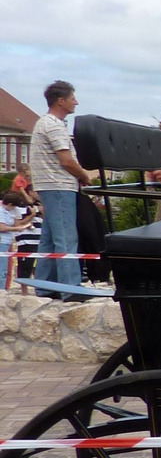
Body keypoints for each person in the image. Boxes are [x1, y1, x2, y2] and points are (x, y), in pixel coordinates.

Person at [29, 80, 91, 296]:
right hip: (59, 185)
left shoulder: (42, 123)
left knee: (49, 237)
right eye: (73, 98)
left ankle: (45, 285)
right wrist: (84, 176)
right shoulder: (54, 125)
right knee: (66, 236)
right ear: (60, 101)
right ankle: (70, 287)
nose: (76, 102)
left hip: (48, 185)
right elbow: (66, 160)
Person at [0, 191, 38, 289]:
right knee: (1, 269)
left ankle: (4, 288)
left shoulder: (9, 211)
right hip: (2, 241)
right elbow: (2, 227)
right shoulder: (1, 211)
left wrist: (30, 217)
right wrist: (17, 229)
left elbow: (16, 223)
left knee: (6, 269)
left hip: (7, 241)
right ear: (9, 204)